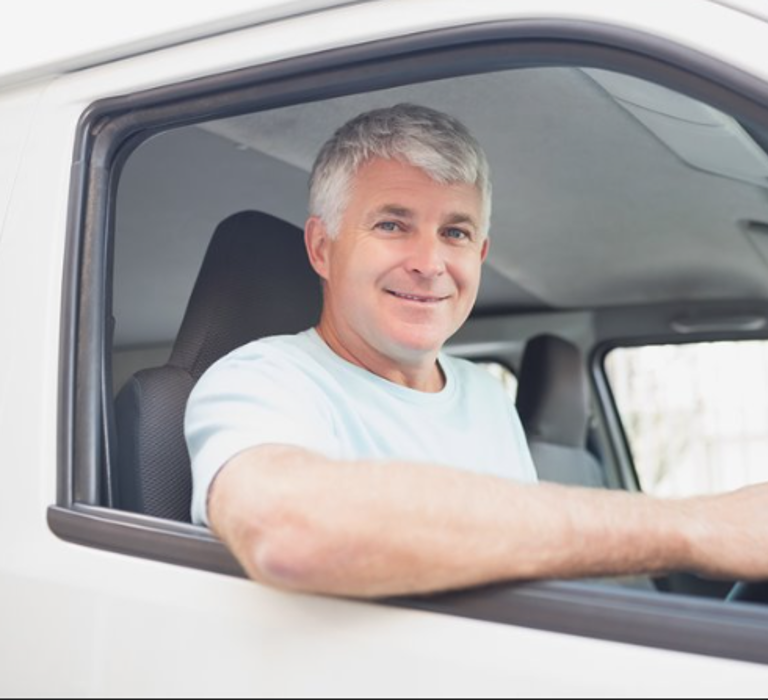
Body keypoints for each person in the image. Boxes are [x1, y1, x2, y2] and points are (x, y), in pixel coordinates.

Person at [185, 103, 768, 598]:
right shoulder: (259, 380)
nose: (430, 262)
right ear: (321, 247)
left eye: (455, 232)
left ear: (480, 253)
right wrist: (695, 527)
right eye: (392, 224)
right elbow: (291, 533)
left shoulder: (486, 396)